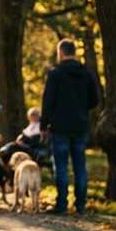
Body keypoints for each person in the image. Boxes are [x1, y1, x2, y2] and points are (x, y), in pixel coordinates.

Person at [41, 38, 99, 215]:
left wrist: (44, 125)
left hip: (60, 127)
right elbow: (95, 100)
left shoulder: (56, 74)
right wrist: (81, 110)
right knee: (80, 165)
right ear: (74, 52)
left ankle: (62, 204)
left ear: (61, 53)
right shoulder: (86, 73)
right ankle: (80, 205)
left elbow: (48, 101)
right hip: (80, 126)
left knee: (61, 166)